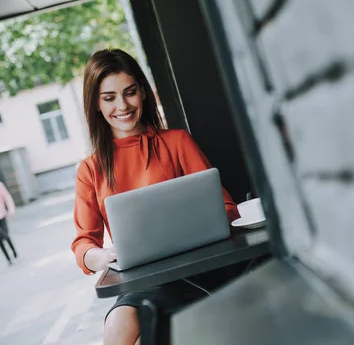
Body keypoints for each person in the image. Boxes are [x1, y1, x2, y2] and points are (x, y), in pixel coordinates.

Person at [71, 49, 240, 344]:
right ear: (96, 104)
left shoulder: (177, 142)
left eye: (130, 92)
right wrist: (102, 257)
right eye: (109, 97)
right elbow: (83, 244)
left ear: (143, 93)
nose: (122, 105)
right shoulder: (90, 169)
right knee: (118, 326)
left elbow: (227, 208)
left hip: (200, 271)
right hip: (143, 284)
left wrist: (196, 228)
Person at [0, 179, 17, 266]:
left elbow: (7, 198)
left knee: (5, 234)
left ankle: (13, 250)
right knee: (0, 238)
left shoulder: (0, 185)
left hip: (2, 215)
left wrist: (11, 210)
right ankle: (8, 259)